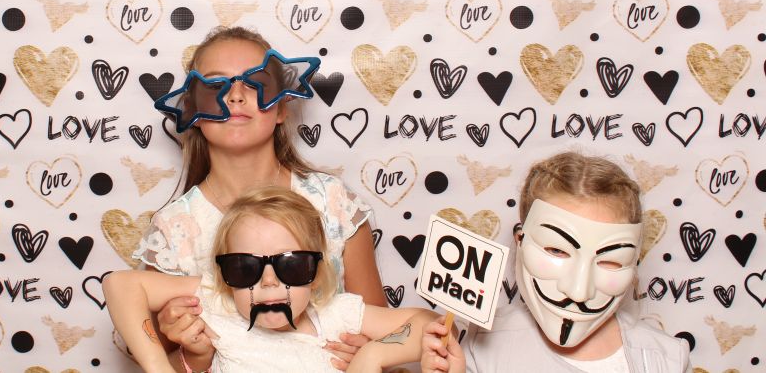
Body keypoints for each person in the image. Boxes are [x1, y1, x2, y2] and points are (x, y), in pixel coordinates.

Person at [132, 26, 386, 371]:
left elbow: (384, 329)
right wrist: (176, 338)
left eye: (255, 84)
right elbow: (167, 360)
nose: (236, 96)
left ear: (281, 109)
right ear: (194, 111)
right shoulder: (175, 229)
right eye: (216, 86)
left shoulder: (333, 203)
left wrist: (370, 350)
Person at [109, 187, 436, 372]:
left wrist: (373, 354)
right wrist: (159, 368)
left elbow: (430, 323)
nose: (268, 281)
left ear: (315, 273)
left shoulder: (334, 316)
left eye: (291, 266)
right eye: (245, 268)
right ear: (226, 277)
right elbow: (120, 285)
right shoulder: (219, 304)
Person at [420, 151, 691, 373]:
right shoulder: (484, 344)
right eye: (557, 250)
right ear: (520, 241)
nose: (578, 292)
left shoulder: (667, 359)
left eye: (610, 261)